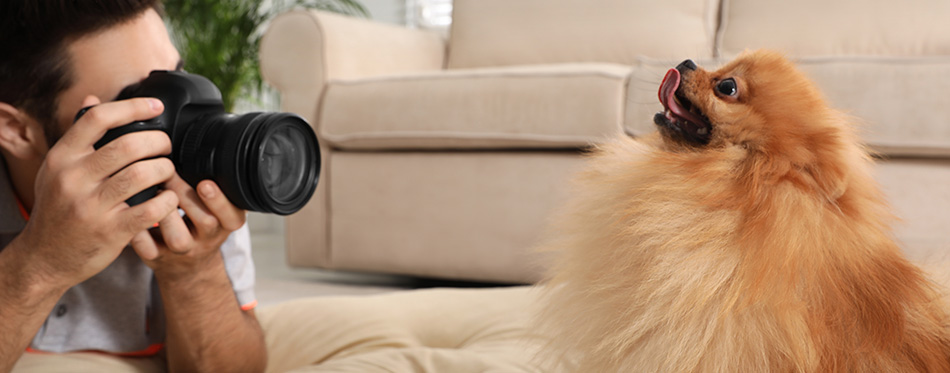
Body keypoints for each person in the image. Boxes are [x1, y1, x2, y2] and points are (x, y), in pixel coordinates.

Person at [0, 1, 266, 371]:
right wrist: (43, 262)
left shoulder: (198, 175)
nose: (185, 111)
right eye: (138, 99)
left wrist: (194, 270)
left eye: (178, 75)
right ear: (15, 130)